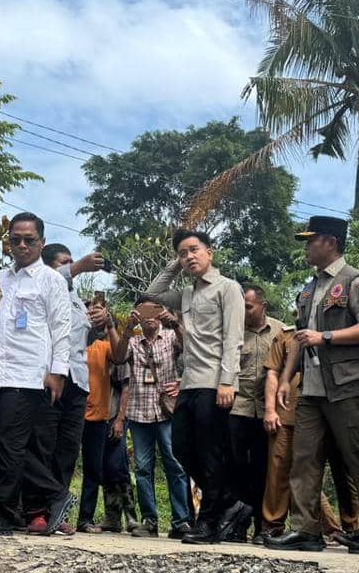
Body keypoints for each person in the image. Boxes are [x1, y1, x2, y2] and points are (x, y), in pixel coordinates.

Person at [267, 216, 359, 553]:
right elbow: (299, 339)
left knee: (358, 458)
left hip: (348, 387)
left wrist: (327, 337)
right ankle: (306, 530)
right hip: (312, 390)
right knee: (304, 458)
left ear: (330, 242)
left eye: (311, 240)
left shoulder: (354, 281)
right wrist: (287, 378)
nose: (306, 247)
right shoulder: (309, 287)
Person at [145, 230, 246, 544]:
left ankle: (210, 521)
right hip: (188, 384)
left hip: (214, 383)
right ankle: (229, 500)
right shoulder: (186, 294)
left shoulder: (228, 288)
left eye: (194, 250)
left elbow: (234, 338)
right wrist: (174, 266)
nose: (189, 256)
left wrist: (228, 381)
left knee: (209, 452)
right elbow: (153, 293)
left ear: (210, 252)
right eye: (182, 253)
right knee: (181, 448)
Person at [0, 212, 73, 535]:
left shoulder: (51, 280)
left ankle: (43, 498)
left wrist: (58, 371)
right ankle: (25, 504)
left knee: (10, 445)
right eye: (16, 239)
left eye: (29, 240)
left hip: (29, 373)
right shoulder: (0, 279)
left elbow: (61, 328)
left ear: (42, 242)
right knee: (2, 444)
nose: (21, 245)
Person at [262, 299, 359, 539]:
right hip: (290, 411)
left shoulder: (340, 333)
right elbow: (273, 373)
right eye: (302, 307)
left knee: (343, 470)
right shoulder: (287, 336)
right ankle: (274, 527)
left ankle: (351, 529)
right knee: (284, 471)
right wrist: (270, 409)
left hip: (334, 409)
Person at [36, 245, 108, 532]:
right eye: (64, 263)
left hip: (78, 379)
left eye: (71, 262)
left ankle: (58, 510)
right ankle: (36, 510)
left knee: (67, 449)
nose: (71, 267)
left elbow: (81, 340)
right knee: (44, 445)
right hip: (53, 376)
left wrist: (97, 326)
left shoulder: (76, 297)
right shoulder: (43, 286)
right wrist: (79, 265)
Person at [113, 298, 193, 538]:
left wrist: (177, 323)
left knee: (175, 465)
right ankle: (150, 520)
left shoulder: (170, 336)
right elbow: (117, 357)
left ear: (160, 313)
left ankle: (182, 520)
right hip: (139, 412)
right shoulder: (133, 341)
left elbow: (191, 350)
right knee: (143, 468)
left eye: (153, 310)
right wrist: (127, 329)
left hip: (167, 411)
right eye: (143, 311)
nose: (149, 315)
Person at [229, 285, 285, 542]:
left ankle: (264, 526)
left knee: (264, 469)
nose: (244, 311)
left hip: (268, 411)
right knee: (237, 468)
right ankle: (237, 525)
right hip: (238, 409)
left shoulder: (282, 331)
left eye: (248, 306)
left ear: (263, 305)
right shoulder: (234, 332)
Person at [76, 298, 123, 534]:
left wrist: (110, 325)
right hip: (70, 416)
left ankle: (84, 518)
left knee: (93, 470)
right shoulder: (72, 343)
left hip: (97, 416)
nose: (90, 317)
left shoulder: (103, 345)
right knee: (60, 466)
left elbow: (120, 355)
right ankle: (54, 513)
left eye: (94, 314)